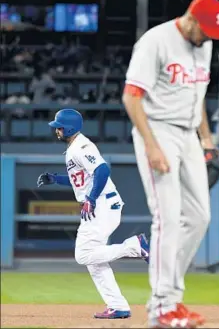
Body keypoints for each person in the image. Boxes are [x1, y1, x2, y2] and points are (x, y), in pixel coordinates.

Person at [123, 0, 219, 328]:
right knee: (166, 217)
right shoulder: (156, 41)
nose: (209, 36)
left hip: (188, 133)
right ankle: (162, 306)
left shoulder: (204, 45)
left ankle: (169, 297)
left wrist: (206, 139)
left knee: (199, 216)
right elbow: (131, 96)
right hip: (157, 130)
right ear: (191, 19)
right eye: (206, 29)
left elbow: (196, 100)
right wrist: (151, 146)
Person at [37, 108, 149, 319]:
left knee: (83, 255)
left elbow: (102, 169)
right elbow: (81, 178)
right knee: (94, 263)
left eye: (59, 127)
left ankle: (134, 246)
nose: (56, 131)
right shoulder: (74, 148)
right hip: (103, 206)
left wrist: (91, 198)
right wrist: (55, 179)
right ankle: (118, 306)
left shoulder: (82, 146)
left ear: (68, 128)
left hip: (102, 206)